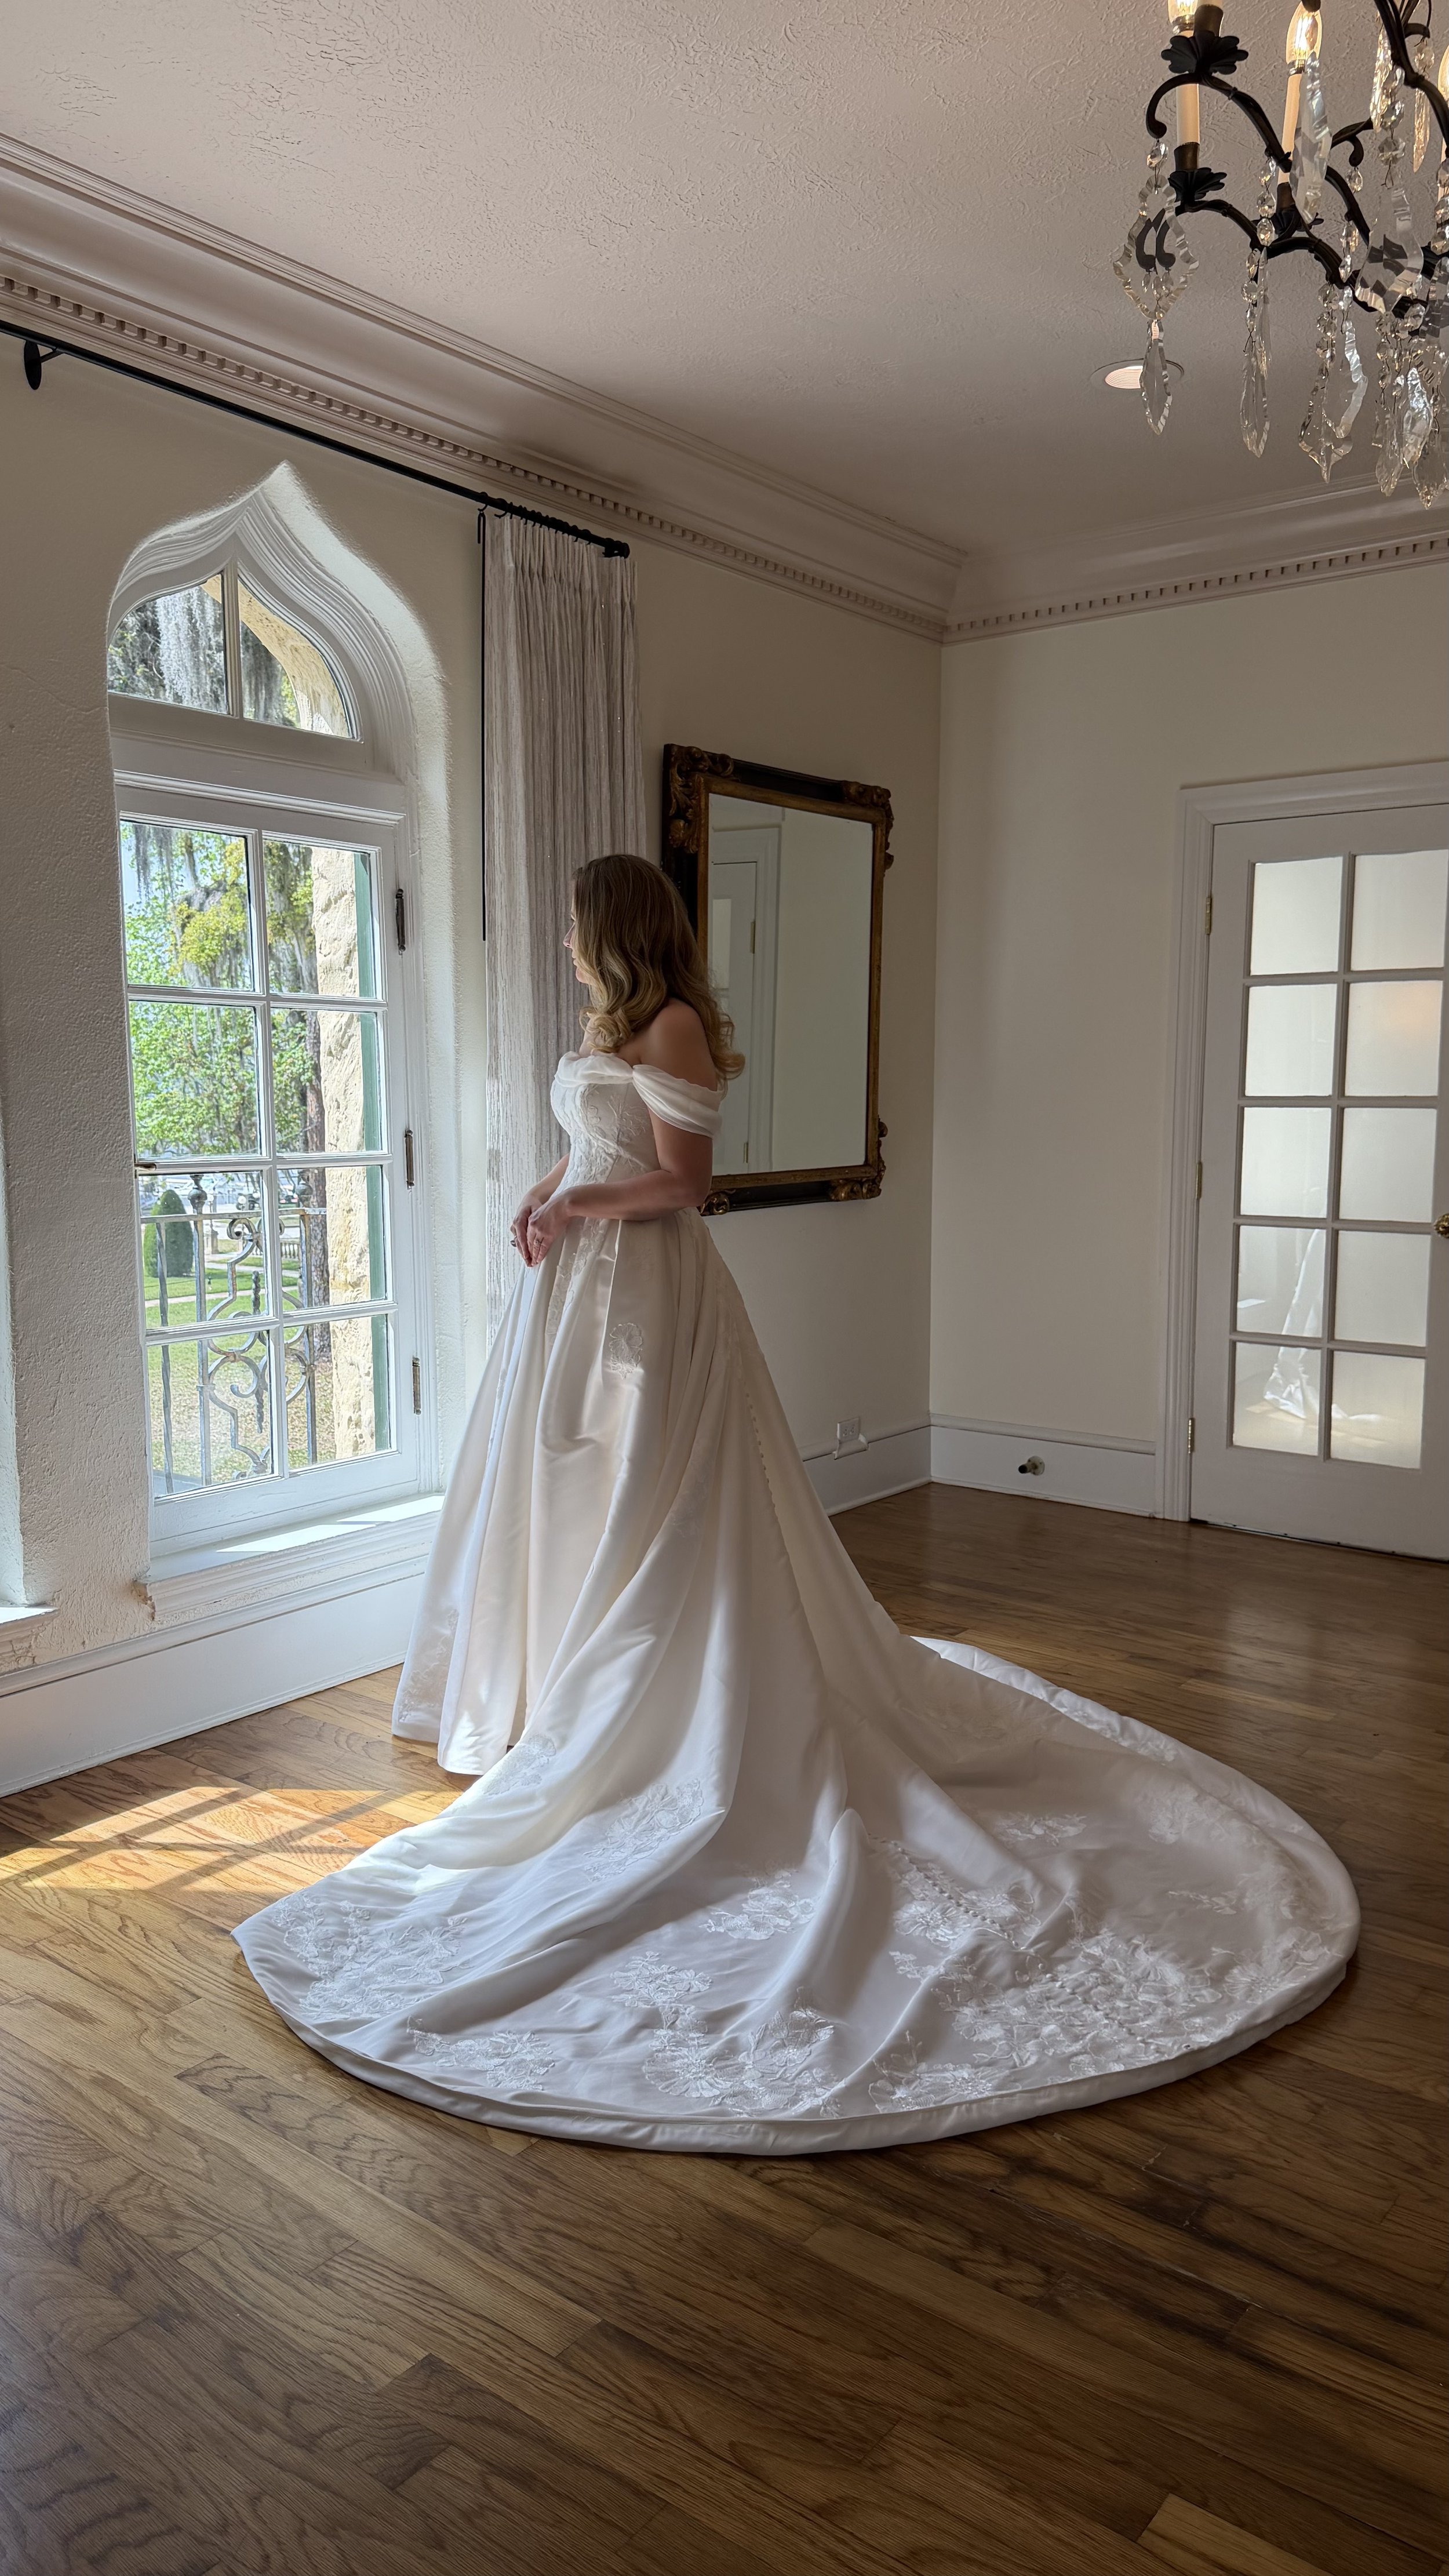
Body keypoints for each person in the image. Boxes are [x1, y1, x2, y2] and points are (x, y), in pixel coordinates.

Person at [235, 852, 1357, 2153]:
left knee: (654, 1498)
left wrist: (584, 1198)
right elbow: (594, 1142)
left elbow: (682, 1185)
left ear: (616, 928)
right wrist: (548, 1190)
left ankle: (653, 1716)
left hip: (647, 1289)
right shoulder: (607, 1023)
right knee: (575, 1495)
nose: (563, 939)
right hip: (580, 1285)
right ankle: (564, 1699)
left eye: (576, 923)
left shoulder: (672, 1024)